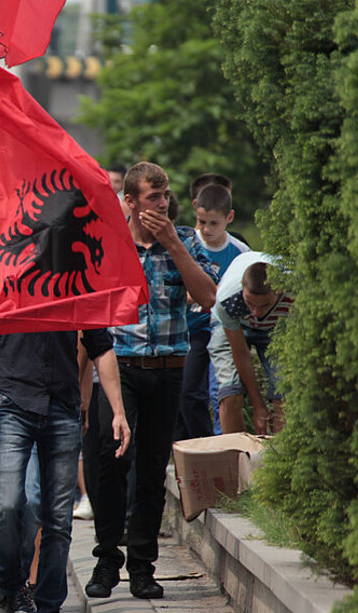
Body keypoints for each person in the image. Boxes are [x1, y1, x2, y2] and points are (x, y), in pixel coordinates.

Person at [85, 162, 217, 601]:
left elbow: (207, 296)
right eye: (152, 198)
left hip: (168, 369)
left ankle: (142, 565)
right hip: (118, 369)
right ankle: (107, 559)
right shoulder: (108, 241)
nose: (162, 205)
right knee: (110, 459)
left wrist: (173, 243)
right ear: (130, 202)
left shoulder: (180, 240)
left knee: (150, 468)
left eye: (165, 196)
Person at [0, 326, 131, 613]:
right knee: (7, 504)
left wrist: (119, 411)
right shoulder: (7, 281)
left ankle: (49, 604)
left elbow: (101, 347)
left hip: (62, 405)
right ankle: (9, 586)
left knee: (58, 518)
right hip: (12, 402)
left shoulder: (75, 283)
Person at [178, 183, 250, 440]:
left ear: (229, 218)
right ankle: (201, 442)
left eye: (213, 223)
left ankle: (221, 442)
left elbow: (248, 291)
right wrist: (205, 293)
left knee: (222, 390)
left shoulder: (241, 252)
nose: (206, 230)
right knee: (188, 393)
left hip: (226, 330)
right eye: (201, 222)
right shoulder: (187, 246)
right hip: (194, 330)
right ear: (195, 210)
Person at [209, 254, 293, 434]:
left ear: (278, 292)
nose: (255, 312)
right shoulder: (227, 298)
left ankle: (281, 457)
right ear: (242, 287)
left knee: (284, 396)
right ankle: (234, 457)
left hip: (277, 327)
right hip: (232, 325)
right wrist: (258, 404)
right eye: (250, 303)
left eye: (263, 305)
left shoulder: (296, 294)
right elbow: (239, 351)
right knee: (230, 395)